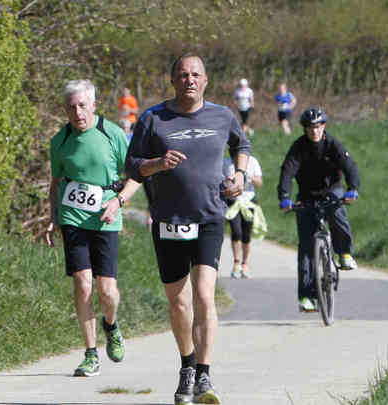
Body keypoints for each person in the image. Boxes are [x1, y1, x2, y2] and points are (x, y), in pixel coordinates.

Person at [126, 53, 251, 405]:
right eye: (182, 75)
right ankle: (187, 366)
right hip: (168, 221)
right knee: (179, 304)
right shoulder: (153, 119)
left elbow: (241, 144)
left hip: (209, 216)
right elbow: (132, 165)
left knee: (204, 295)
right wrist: (157, 163)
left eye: (196, 74)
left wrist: (240, 175)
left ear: (206, 80)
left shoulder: (222, 116)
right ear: (173, 81)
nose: (189, 80)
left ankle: (204, 375)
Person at [45, 79, 141, 377]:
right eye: (71, 107)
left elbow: (136, 176)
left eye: (82, 106)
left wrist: (119, 201)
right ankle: (90, 354)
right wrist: (53, 216)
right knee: (83, 283)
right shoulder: (59, 141)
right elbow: (56, 183)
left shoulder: (112, 134)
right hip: (73, 217)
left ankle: (110, 325)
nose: (77, 113)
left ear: (94, 105)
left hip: (105, 218)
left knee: (107, 290)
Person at [277, 107, 360, 313]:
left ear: (323, 126)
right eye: (310, 127)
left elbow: (349, 166)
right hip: (307, 196)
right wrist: (285, 197)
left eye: (317, 126)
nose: (314, 131)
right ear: (304, 129)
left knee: (337, 213)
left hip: (332, 190)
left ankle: (344, 253)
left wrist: (353, 189)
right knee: (306, 248)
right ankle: (307, 296)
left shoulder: (332, 144)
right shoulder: (299, 147)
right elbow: (287, 171)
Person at [222, 151, 264, 279]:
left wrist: (249, 178)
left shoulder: (253, 161)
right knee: (236, 232)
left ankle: (245, 264)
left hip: (249, 201)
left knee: (246, 234)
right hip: (233, 202)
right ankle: (236, 263)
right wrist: (228, 182)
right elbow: (221, 182)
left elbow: (259, 182)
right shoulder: (226, 162)